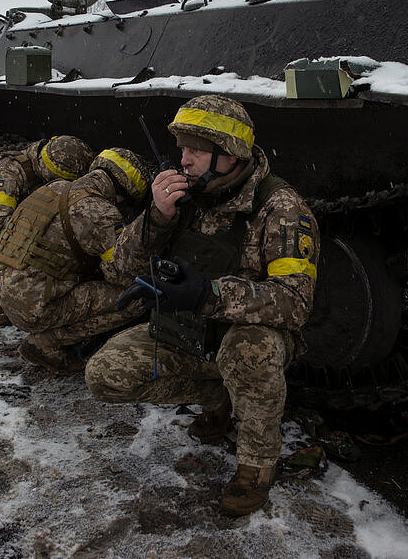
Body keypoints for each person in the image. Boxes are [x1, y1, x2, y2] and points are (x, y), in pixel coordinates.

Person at [84, 94, 320, 517]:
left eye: (195, 149)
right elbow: (119, 269)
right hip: (187, 333)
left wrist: (208, 295)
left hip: (243, 337)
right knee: (105, 376)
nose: (184, 160)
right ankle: (223, 397)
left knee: (250, 348)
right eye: (181, 149)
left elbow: (295, 302)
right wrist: (157, 218)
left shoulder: (280, 209)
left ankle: (257, 463)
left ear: (229, 155)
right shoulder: (186, 195)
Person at [0, 147, 153, 374]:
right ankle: (47, 342)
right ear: (121, 193)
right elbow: (121, 276)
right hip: (32, 308)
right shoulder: (101, 213)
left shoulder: (54, 187)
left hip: (4, 290)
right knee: (135, 299)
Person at [0, 136, 94, 325]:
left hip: (3, 226)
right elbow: (0, 229)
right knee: (33, 242)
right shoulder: (7, 175)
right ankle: (2, 298)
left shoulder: (38, 161)